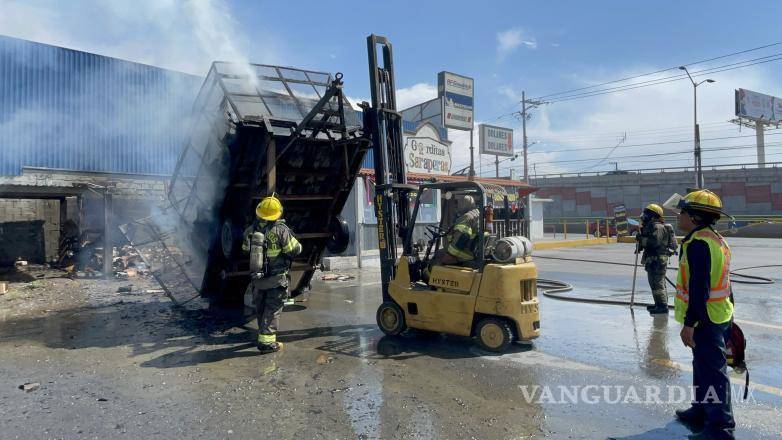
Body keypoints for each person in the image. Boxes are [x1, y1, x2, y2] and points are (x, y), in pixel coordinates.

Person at [672, 189, 735, 440]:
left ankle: (721, 429)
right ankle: (700, 410)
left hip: (706, 318)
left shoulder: (698, 243)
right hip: (719, 314)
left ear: (695, 217)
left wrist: (689, 324)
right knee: (703, 367)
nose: (679, 216)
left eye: (683, 212)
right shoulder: (716, 238)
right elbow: (726, 280)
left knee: (713, 372)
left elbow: (700, 288)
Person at [242, 195, 302, 354]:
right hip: (277, 280)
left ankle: (263, 335)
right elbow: (294, 250)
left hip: (258, 279)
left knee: (261, 309)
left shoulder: (251, 230)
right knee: (272, 310)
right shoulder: (281, 230)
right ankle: (267, 343)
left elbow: (245, 249)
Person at [636, 203, 676, 314]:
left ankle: (662, 306)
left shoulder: (657, 227)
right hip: (654, 259)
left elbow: (654, 242)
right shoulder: (651, 226)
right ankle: (659, 304)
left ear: (653, 216)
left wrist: (641, 239)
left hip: (657, 260)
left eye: (646, 214)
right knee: (655, 283)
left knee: (657, 283)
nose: (644, 216)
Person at [429, 194, 481, 267]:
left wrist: (450, 255)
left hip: (464, 253)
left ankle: (429, 277)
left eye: (458, 203)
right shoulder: (477, 214)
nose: (456, 206)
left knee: (438, 255)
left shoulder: (466, 217)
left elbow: (462, 236)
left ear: (463, 204)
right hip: (472, 251)